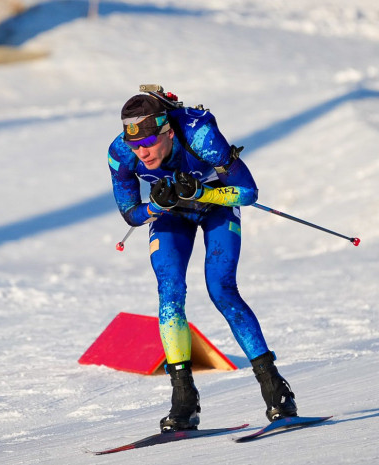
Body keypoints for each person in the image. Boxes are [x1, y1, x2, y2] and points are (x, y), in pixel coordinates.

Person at [107, 90, 297, 432]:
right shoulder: (120, 154)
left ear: (167, 133)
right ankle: (184, 400)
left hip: (217, 207)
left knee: (221, 289)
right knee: (170, 291)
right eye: (135, 145)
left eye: (148, 142)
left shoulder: (200, 136)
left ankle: (275, 389)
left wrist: (202, 193)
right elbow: (130, 215)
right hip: (171, 215)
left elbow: (249, 192)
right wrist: (156, 207)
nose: (141, 152)